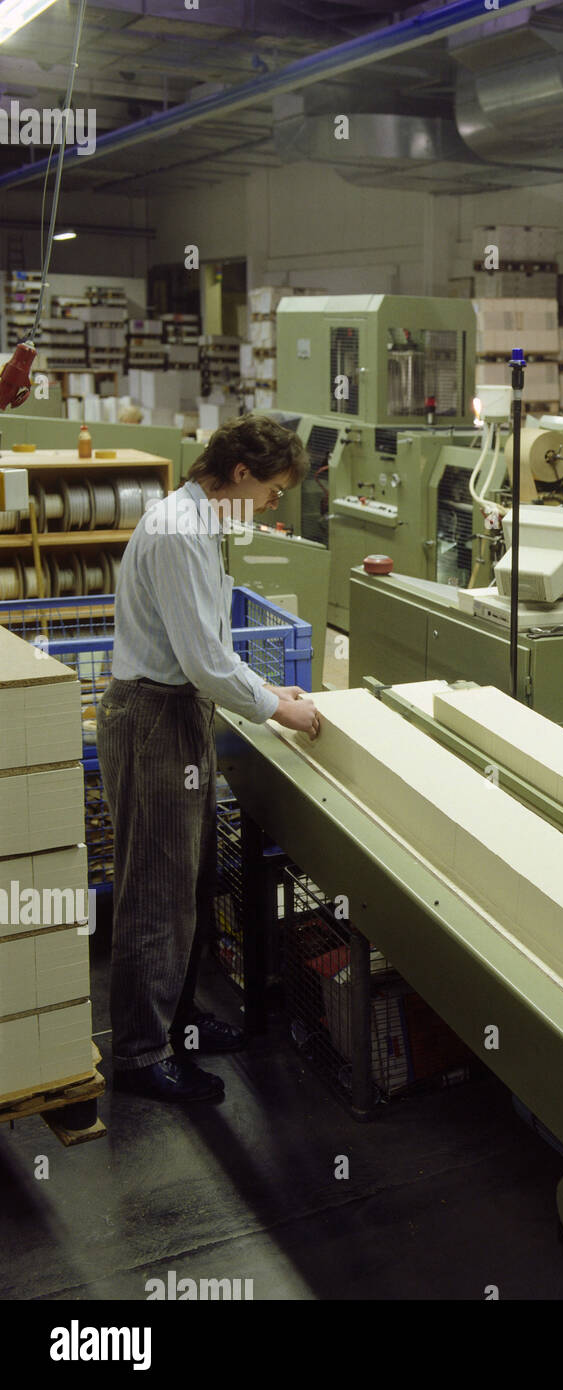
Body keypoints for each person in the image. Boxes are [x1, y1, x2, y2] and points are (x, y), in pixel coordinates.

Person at [99, 415, 321, 1104]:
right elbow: (200, 661)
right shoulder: (180, 532)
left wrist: (264, 689)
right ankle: (140, 1054)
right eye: (271, 491)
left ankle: (180, 1020)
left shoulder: (196, 525)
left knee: (188, 885)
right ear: (241, 473)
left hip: (178, 711)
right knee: (155, 895)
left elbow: (208, 648)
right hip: (153, 718)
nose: (271, 505)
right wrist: (280, 709)